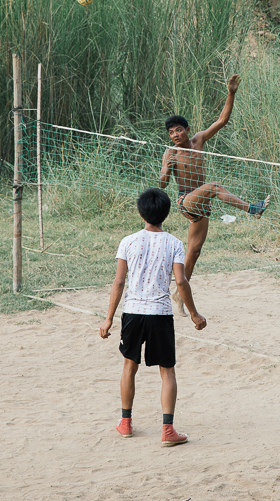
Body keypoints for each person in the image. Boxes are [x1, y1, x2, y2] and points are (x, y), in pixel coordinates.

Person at [99, 188, 207, 446]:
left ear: (141, 212)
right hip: (160, 314)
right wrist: (194, 313)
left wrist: (108, 319)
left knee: (129, 366)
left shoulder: (128, 241)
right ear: (166, 214)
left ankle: (125, 423)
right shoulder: (174, 243)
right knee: (167, 371)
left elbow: (119, 282)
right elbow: (180, 281)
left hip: (133, 312)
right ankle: (168, 430)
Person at [160, 75, 270, 312]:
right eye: (171, 132)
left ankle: (179, 294)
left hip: (202, 206)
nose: (175, 135)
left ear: (188, 130)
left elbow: (222, 120)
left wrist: (231, 92)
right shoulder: (170, 153)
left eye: (179, 130)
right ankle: (253, 209)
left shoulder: (198, 140)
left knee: (194, 251)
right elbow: (162, 184)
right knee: (214, 186)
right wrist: (166, 168)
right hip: (186, 200)